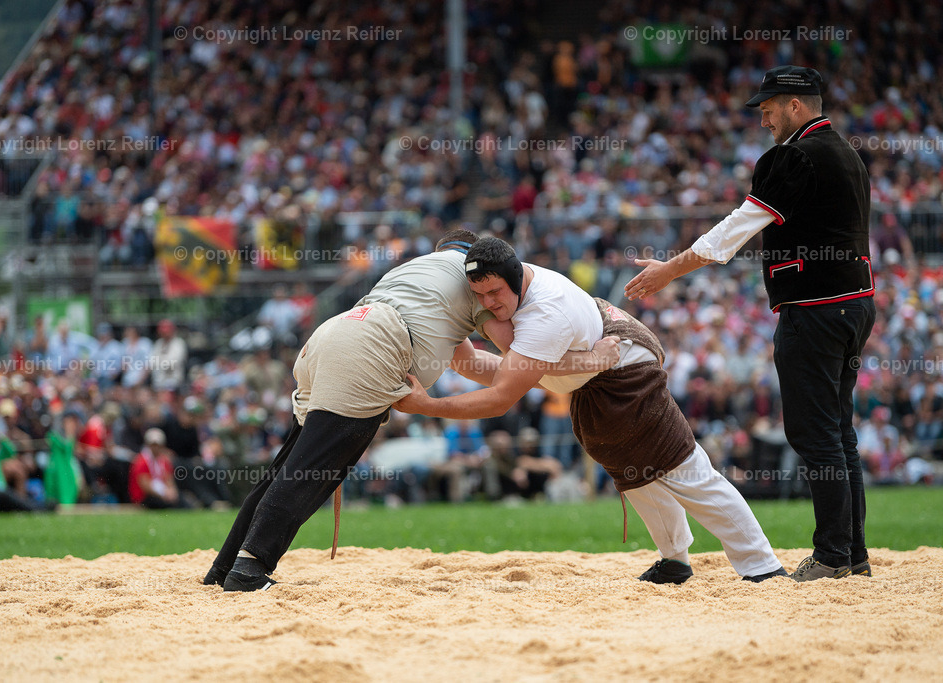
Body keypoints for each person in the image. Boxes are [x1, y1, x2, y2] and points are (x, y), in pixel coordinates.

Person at [205, 230, 618, 592]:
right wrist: (590, 360)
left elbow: (473, 365)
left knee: (290, 462)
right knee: (315, 469)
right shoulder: (476, 281)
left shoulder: (419, 269)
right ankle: (250, 566)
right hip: (373, 348)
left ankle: (225, 566)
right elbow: (519, 359)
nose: (485, 295)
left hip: (331, 334)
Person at [395, 236, 786, 583]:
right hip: (595, 368)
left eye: (495, 292)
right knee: (635, 474)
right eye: (479, 295)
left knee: (683, 467)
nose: (489, 302)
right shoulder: (505, 301)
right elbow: (481, 366)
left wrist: (426, 405)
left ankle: (761, 564)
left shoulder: (543, 313)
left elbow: (502, 395)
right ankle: (675, 560)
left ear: (515, 279)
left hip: (624, 366)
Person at [625, 66, 875, 582]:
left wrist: (669, 269)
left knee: (815, 434)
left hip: (814, 308)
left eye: (769, 106)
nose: (762, 117)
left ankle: (832, 556)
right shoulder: (846, 152)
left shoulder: (792, 156)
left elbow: (736, 229)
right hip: (854, 304)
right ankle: (853, 553)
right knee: (840, 432)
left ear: (797, 105)